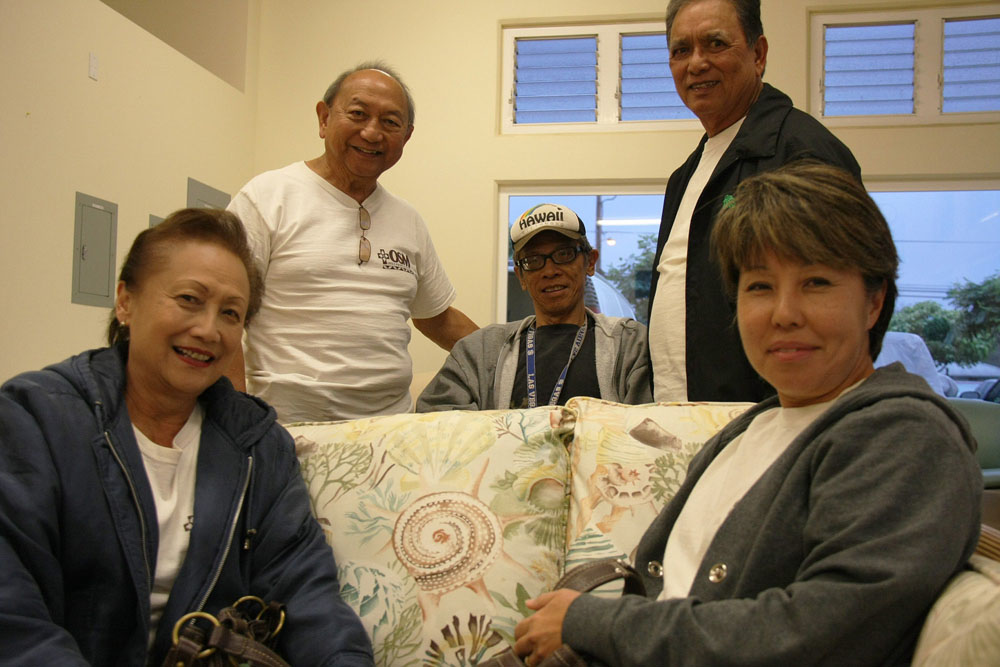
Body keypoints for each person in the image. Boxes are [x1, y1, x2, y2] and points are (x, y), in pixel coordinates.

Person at [513, 162, 981, 666]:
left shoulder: (903, 436)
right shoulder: (754, 426)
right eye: (760, 286)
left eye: (816, 282)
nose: (784, 314)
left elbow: (820, 633)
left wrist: (591, 621)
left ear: (874, 302)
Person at [0, 209, 373, 665]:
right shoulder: (35, 418)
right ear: (125, 301)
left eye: (230, 313)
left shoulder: (258, 447)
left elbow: (307, 595)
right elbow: (13, 618)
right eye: (189, 299)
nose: (208, 330)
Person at [227, 61, 477, 422]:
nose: (372, 133)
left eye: (390, 122)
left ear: (406, 137)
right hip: (285, 430)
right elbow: (223, 311)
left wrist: (515, 354)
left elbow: (437, 319)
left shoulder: (408, 220)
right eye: (358, 114)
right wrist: (236, 418)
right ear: (324, 118)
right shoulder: (266, 197)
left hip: (390, 432)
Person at [647, 0, 861, 403]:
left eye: (715, 44)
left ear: (758, 54)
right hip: (684, 418)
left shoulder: (802, 152)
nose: (696, 63)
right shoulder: (685, 176)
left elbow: (839, 303)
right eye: (681, 50)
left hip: (771, 420)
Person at [417, 204, 651, 411]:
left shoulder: (629, 345)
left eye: (564, 254)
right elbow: (436, 420)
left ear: (590, 262)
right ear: (521, 275)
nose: (549, 271)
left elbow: (650, 426)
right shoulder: (480, 351)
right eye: (533, 261)